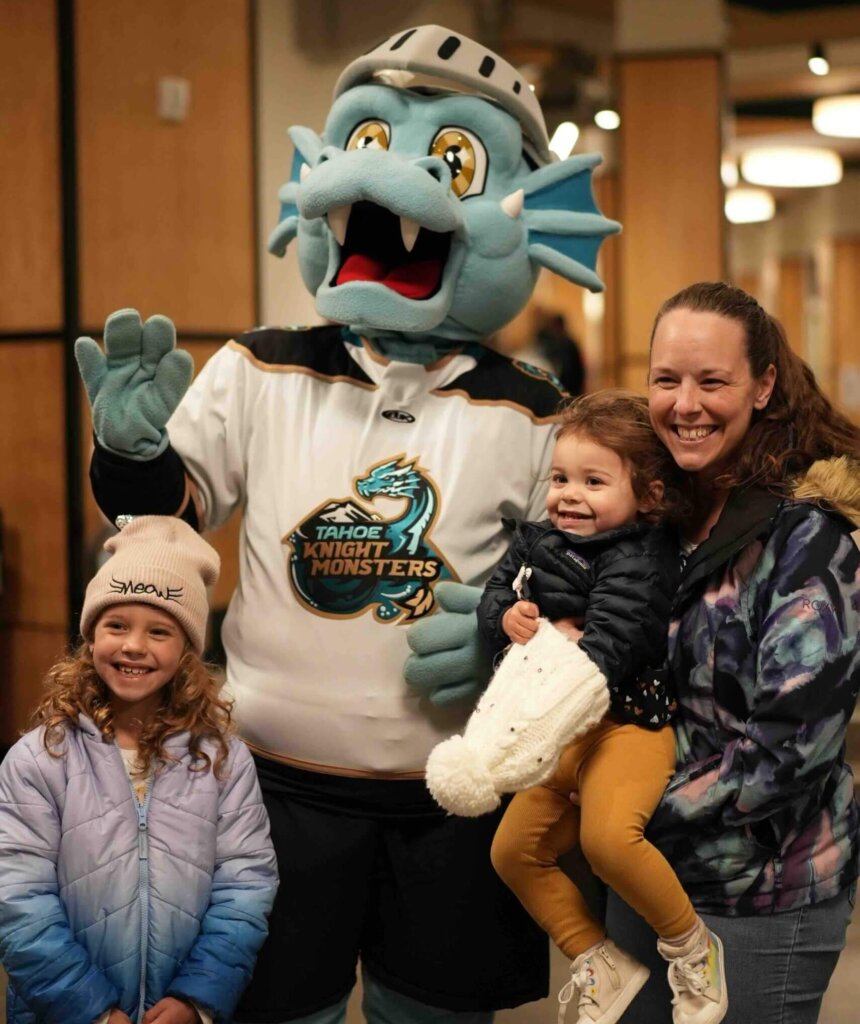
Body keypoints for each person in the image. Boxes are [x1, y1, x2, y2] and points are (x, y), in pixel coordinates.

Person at [73, 24, 620, 1024]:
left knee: (433, 1014)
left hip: (455, 793)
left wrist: (505, 638)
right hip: (271, 785)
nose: (391, 177)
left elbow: (586, 584)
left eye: (450, 159)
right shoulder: (261, 365)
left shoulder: (538, 411)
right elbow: (165, 517)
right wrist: (131, 449)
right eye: (368, 141)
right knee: (281, 1009)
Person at [426, 390, 728, 1024]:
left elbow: (610, 647)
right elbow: (494, 594)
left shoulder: (643, 556)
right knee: (510, 851)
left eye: (593, 482)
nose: (569, 495)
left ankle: (692, 947)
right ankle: (597, 960)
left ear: (647, 495)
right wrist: (505, 617)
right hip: (560, 731)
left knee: (607, 842)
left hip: (627, 726)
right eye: (560, 478)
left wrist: (557, 648)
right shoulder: (537, 541)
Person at [604, 281, 860, 1024]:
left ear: (763, 385)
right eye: (666, 379)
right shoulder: (655, 510)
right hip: (641, 879)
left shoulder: (807, 539)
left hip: (758, 896)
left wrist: (628, 813)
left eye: (712, 382)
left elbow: (790, 749)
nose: (686, 405)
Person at [0, 516, 278, 1024]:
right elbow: (18, 897)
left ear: (187, 649)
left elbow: (246, 885)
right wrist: (92, 1010)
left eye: (159, 631)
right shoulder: (39, 760)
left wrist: (197, 999)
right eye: (116, 625)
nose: (134, 645)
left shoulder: (223, 760)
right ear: (90, 636)